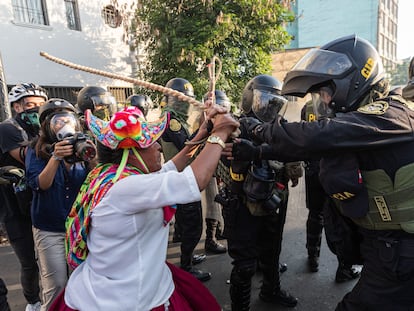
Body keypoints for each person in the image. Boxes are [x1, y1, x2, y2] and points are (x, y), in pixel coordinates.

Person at [233, 35, 414, 310]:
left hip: (401, 252)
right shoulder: (363, 125)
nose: (324, 101)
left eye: (326, 92)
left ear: (352, 82)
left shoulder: (389, 114)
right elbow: (315, 150)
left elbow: (318, 137)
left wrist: (258, 129)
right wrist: (258, 152)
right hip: (386, 248)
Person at [49, 102, 238, 310]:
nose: (158, 147)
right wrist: (220, 133)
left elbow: (172, 167)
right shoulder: (128, 187)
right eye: (151, 143)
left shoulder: (110, 175)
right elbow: (195, 180)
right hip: (128, 298)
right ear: (131, 153)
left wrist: (203, 132)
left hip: (112, 284)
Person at [218, 74, 298, 310]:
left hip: (273, 200)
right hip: (242, 203)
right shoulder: (233, 128)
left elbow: (293, 153)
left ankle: (271, 290)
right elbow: (217, 165)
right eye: (264, 100)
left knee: (272, 251)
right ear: (249, 99)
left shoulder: (279, 129)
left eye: (274, 102)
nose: (269, 107)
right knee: (244, 265)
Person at [25, 98, 96, 311]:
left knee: (81, 281)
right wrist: (55, 157)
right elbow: (41, 184)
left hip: (78, 226)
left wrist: (90, 154)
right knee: (55, 284)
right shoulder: (35, 150)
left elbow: (96, 177)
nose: (63, 124)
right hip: (49, 227)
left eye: (67, 119)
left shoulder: (81, 144)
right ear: (46, 125)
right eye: (57, 121)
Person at [301, 100, 361, 282]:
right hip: (335, 170)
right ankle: (344, 267)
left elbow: (303, 136)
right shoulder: (343, 105)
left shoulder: (308, 107)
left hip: (313, 168)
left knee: (315, 214)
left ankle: (313, 258)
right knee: (341, 218)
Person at [0, 83, 47, 311]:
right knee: (29, 262)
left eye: (41, 106)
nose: (37, 110)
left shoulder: (44, 129)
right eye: (30, 105)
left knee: (52, 258)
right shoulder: (8, 128)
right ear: (16, 106)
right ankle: (33, 303)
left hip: (41, 202)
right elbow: (26, 156)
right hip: (14, 207)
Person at [160, 77, 210, 281]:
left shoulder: (174, 119)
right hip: (181, 177)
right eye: (185, 101)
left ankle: (186, 257)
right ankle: (186, 266)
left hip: (178, 176)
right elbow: (187, 145)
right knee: (193, 224)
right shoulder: (171, 121)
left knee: (184, 223)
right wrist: (204, 129)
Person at [201, 90, 230, 254]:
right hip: (209, 167)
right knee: (213, 203)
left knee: (221, 200)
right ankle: (210, 239)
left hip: (219, 166)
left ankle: (219, 231)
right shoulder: (205, 120)